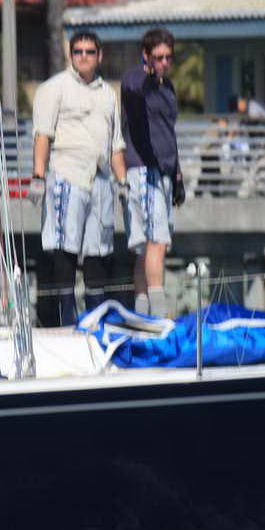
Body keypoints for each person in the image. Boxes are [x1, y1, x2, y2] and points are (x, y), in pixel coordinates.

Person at [29, 31, 127, 326]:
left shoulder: (108, 94)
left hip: (101, 179)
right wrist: (38, 175)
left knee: (99, 249)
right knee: (65, 247)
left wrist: (123, 182)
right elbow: (43, 135)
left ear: (100, 55)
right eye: (78, 52)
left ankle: (96, 317)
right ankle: (66, 317)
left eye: (89, 52)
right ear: (70, 55)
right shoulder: (54, 88)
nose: (83, 57)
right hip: (67, 174)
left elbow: (116, 144)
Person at [120, 27, 184, 318]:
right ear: (146, 56)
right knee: (154, 241)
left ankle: (142, 312)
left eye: (168, 57)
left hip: (166, 172)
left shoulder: (167, 87)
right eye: (158, 57)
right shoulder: (134, 79)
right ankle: (157, 314)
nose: (164, 63)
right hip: (143, 170)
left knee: (153, 246)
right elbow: (134, 89)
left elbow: (169, 133)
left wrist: (178, 175)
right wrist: (147, 74)